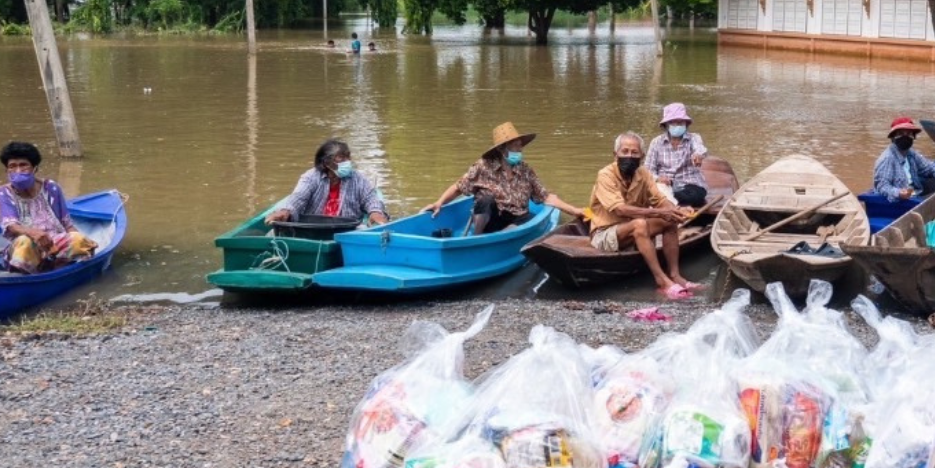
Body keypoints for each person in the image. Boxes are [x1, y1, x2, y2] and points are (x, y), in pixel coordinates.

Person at [589, 131, 699, 300]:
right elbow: (620, 210)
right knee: (640, 223)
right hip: (605, 234)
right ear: (615, 154)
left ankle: (675, 275)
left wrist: (676, 210)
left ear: (642, 155)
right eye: (624, 151)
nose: (629, 156)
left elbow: (660, 200)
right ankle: (661, 280)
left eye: (634, 152)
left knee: (669, 220)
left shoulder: (644, 173)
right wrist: (660, 212)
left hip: (635, 231)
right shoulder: (605, 175)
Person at [425, 123, 586, 234]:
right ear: (502, 149)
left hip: (515, 220)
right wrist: (439, 203)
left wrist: (574, 210)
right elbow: (459, 187)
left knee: (530, 218)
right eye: (515, 146)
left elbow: (546, 197)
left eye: (520, 145)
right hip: (490, 218)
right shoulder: (483, 166)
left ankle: (502, 237)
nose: (520, 149)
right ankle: (478, 238)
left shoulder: (525, 170)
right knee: (486, 200)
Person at [0, 141, 97, 274]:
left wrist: (82, 240)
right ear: (7, 170)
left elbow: (66, 223)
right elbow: (10, 225)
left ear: (35, 168)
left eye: (23, 165)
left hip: (54, 244)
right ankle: (25, 275)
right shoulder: (4, 192)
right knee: (24, 242)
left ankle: (57, 267)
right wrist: (33, 233)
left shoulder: (51, 187)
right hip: (24, 246)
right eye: (12, 166)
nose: (18, 170)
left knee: (78, 239)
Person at [266, 139, 388, 226]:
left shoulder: (358, 178)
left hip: (347, 229)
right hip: (315, 228)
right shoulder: (311, 177)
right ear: (326, 163)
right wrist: (285, 211)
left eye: (348, 157)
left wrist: (375, 212)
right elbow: (298, 198)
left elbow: (370, 198)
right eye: (342, 158)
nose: (347, 162)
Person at [645, 102, 709, 207]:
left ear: (686, 124)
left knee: (695, 196)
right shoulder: (656, 142)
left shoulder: (694, 138)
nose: (677, 126)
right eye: (673, 123)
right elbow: (648, 171)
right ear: (666, 125)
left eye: (680, 123)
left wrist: (698, 155)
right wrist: (658, 179)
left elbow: (700, 149)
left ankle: (667, 200)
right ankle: (667, 200)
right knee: (653, 191)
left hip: (689, 185)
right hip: (664, 185)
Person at [873, 117, 935, 202]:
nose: (905, 137)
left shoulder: (910, 153)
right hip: (901, 202)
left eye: (909, 134)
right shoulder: (888, 158)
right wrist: (898, 193)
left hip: (915, 192)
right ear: (893, 137)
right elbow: (882, 186)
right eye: (901, 133)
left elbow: (930, 167)